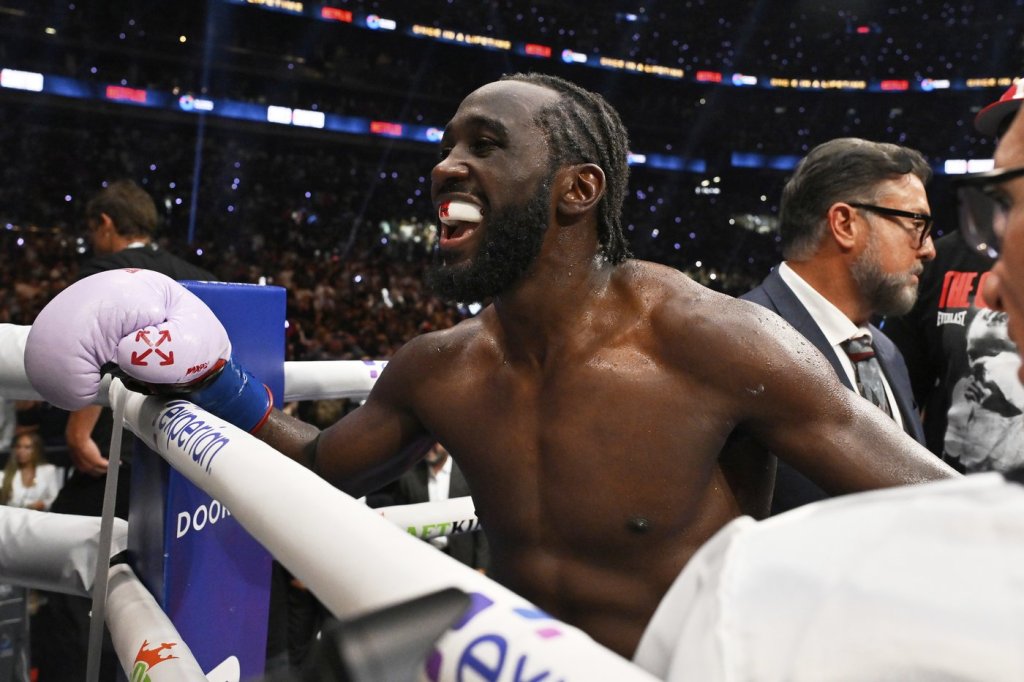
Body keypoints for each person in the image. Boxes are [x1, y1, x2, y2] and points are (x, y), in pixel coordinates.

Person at [24, 73, 957, 661]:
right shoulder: (441, 367)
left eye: (485, 144)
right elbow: (323, 467)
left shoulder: (712, 341)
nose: (445, 166)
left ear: (578, 189)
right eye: (447, 145)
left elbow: (939, 511)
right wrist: (208, 378)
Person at [37, 179, 215, 682]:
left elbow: (101, 341)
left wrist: (80, 427)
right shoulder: (198, 276)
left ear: (106, 224)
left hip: (113, 458)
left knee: (78, 573)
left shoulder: (105, 272)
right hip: (181, 457)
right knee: (153, 592)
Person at [742, 138, 934, 513]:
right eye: (916, 223)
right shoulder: (741, 341)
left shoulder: (887, 353)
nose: (928, 249)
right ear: (845, 224)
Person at [885, 80, 1024, 474]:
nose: (993, 291)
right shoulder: (942, 257)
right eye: (1006, 130)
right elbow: (901, 395)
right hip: (956, 494)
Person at [370, 442, 490, 572]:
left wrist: (481, 566)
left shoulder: (467, 473)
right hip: (424, 561)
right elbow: (403, 523)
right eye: (426, 442)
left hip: (463, 559)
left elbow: (483, 523)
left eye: (434, 441)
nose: (429, 447)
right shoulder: (408, 477)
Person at [0, 432, 60, 511]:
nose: (21, 451)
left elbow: (54, 498)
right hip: (15, 516)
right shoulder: (5, 475)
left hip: (40, 515)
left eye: (27, 447)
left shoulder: (48, 470)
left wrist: (44, 504)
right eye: (18, 447)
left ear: (36, 450)